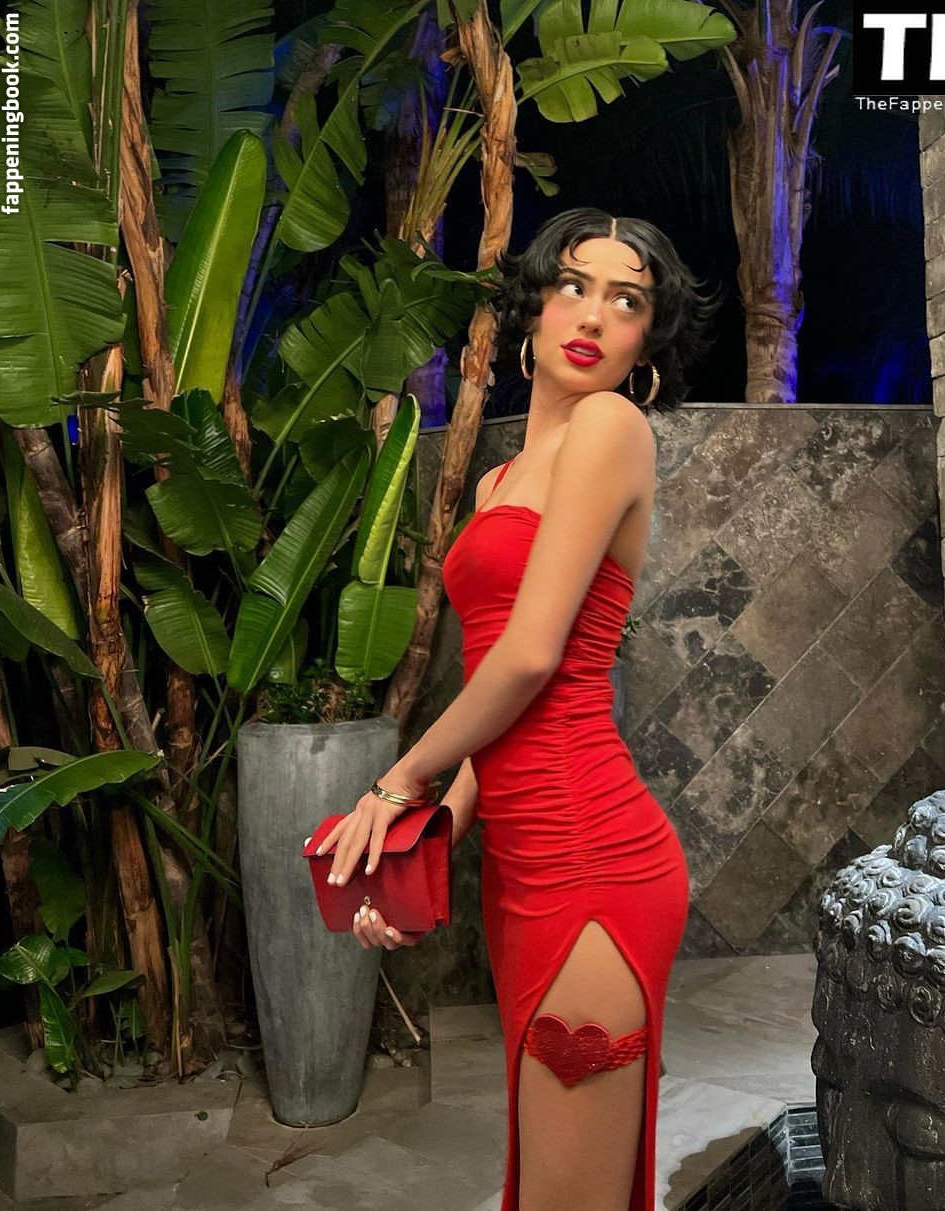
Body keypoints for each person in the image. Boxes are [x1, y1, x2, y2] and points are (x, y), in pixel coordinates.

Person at [312, 207, 721, 1210]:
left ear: (646, 343)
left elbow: (535, 661)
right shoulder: (498, 480)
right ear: (533, 307)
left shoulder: (611, 428)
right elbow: (504, 710)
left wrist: (394, 780)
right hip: (523, 866)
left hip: (592, 858)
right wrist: (427, 839)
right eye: (574, 285)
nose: (594, 314)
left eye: (627, 300)